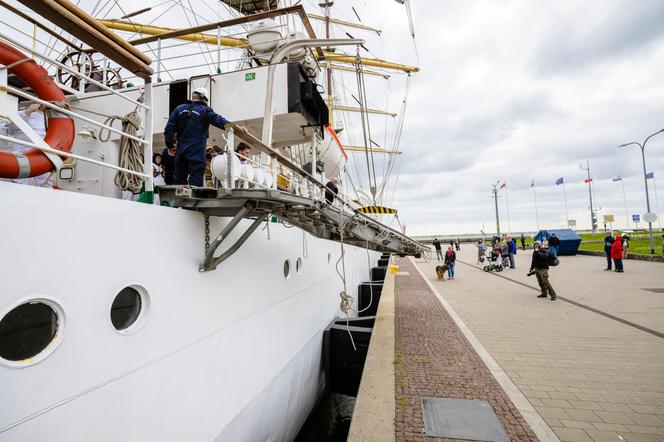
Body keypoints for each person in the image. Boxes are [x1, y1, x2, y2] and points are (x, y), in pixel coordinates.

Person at [164, 87, 240, 187]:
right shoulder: (205, 110)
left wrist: (170, 146)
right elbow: (219, 120)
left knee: (179, 180)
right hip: (196, 152)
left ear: (193, 96)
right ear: (204, 99)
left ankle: (176, 201)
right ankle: (194, 201)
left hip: (181, 151)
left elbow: (168, 129)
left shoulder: (179, 109)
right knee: (195, 182)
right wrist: (234, 127)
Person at [0, 103, 53, 187]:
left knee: (45, 181)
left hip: (42, 153)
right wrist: (27, 112)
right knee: (19, 181)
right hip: (22, 152)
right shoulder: (21, 113)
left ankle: (45, 198)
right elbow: (11, 129)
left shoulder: (50, 118)